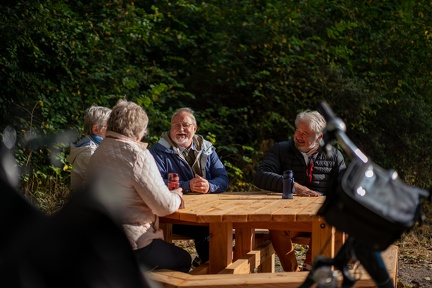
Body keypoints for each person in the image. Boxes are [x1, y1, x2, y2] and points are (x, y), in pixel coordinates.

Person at [85, 99, 191, 273]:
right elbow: (163, 205)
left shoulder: (99, 151)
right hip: (132, 244)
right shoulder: (137, 155)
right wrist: (177, 195)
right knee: (183, 260)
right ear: (138, 131)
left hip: (99, 239)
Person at [254, 109, 346, 272]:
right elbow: (261, 176)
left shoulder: (334, 156)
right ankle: (292, 273)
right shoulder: (281, 149)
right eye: (298, 131)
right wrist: (293, 186)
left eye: (305, 134)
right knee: (276, 227)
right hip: (290, 217)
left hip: (320, 218)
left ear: (319, 137)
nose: (298, 136)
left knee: (334, 226)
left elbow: (343, 187)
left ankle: (309, 269)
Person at [150, 107, 229, 267]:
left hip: (208, 209)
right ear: (170, 128)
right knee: (207, 231)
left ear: (194, 128)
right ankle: (213, 271)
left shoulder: (206, 148)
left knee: (227, 227)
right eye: (175, 125)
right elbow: (154, 184)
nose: (180, 129)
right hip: (175, 214)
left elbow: (223, 178)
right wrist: (187, 185)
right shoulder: (158, 152)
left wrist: (210, 186)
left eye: (185, 125)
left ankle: (214, 267)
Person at [67, 105, 111, 192]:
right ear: (95, 129)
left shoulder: (95, 146)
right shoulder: (89, 152)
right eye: (110, 127)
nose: (114, 131)